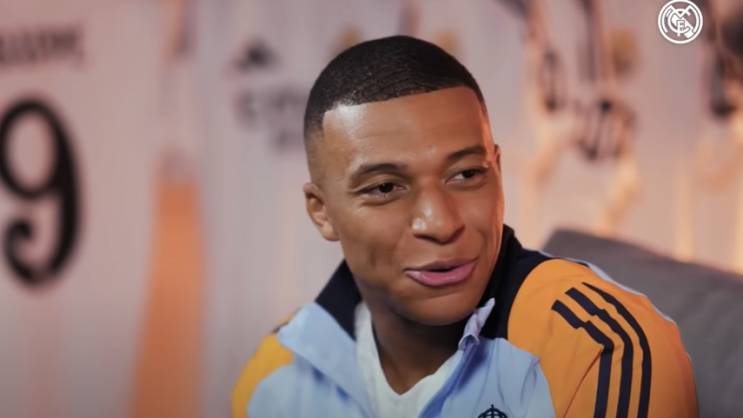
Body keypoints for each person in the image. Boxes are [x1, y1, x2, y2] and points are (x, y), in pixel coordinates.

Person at [231, 35, 697, 418]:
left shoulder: (603, 348)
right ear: (322, 212)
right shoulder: (279, 373)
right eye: (385, 187)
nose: (440, 223)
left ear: (498, 170)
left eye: (466, 174)